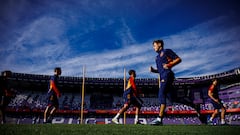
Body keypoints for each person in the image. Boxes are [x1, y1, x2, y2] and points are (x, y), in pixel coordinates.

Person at [149, 39, 182, 125]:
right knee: (173, 98)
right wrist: (154, 70)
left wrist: (170, 64)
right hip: (163, 75)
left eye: (154, 45)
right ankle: (192, 104)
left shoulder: (166, 51)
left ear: (159, 44)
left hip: (167, 75)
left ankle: (159, 119)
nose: (153, 48)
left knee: (161, 93)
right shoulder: (156, 58)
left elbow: (178, 59)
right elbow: (160, 70)